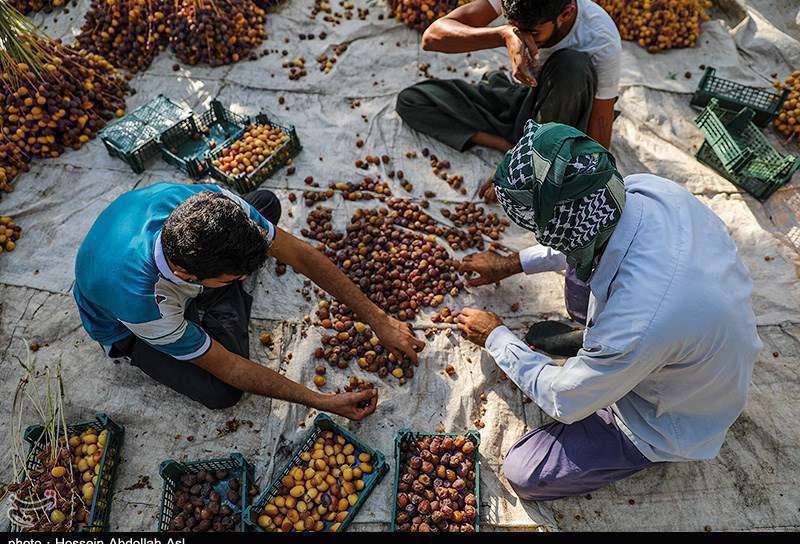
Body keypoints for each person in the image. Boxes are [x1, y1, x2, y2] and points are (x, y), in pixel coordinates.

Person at [455, 120, 762, 500]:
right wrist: (510, 264)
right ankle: (597, 354)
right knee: (583, 275)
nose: (541, 236)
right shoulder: (644, 190)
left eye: (540, 227)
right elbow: (579, 231)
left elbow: (564, 400)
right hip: (690, 336)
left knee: (524, 472)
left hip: (670, 412)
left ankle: (614, 396)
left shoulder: (639, 321)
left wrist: (496, 336)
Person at [74, 183, 425, 419]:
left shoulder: (210, 202)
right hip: (123, 326)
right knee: (222, 393)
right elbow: (229, 367)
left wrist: (377, 318)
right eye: (234, 277)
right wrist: (319, 400)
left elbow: (300, 256)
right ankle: (207, 311)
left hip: (171, 261)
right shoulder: (143, 304)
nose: (247, 276)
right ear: (187, 275)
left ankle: (219, 299)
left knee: (266, 204)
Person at [396, 0, 621, 200]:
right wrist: (502, 35)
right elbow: (432, 37)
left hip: (563, 119)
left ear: (566, 13)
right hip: (523, 99)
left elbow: (600, 129)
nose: (524, 38)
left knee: (572, 66)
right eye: (516, 28)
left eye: (532, 33)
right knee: (412, 101)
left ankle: (536, 159)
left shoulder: (599, 38)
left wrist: (590, 179)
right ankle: (510, 146)